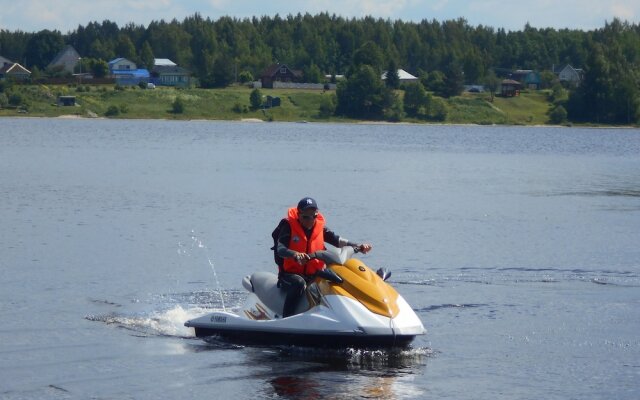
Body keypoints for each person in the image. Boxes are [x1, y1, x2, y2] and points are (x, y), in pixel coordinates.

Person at [275, 197, 372, 318]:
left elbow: (337, 240)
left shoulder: (319, 227)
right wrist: (295, 255)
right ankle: (287, 319)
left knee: (336, 278)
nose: (310, 220)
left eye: (313, 216)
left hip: (313, 273)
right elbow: (281, 249)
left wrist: (357, 245)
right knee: (299, 283)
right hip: (290, 274)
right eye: (306, 217)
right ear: (299, 215)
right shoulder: (288, 227)